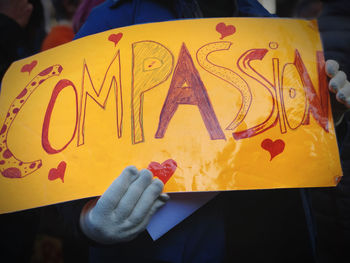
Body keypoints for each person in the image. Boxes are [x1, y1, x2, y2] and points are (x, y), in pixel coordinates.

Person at [57, 1, 350, 262]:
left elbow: (293, 161)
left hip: (277, 239)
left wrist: (324, 119)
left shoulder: (267, 24)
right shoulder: (114, 22)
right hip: (170, 248)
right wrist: (86, 222)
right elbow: (60, 153)